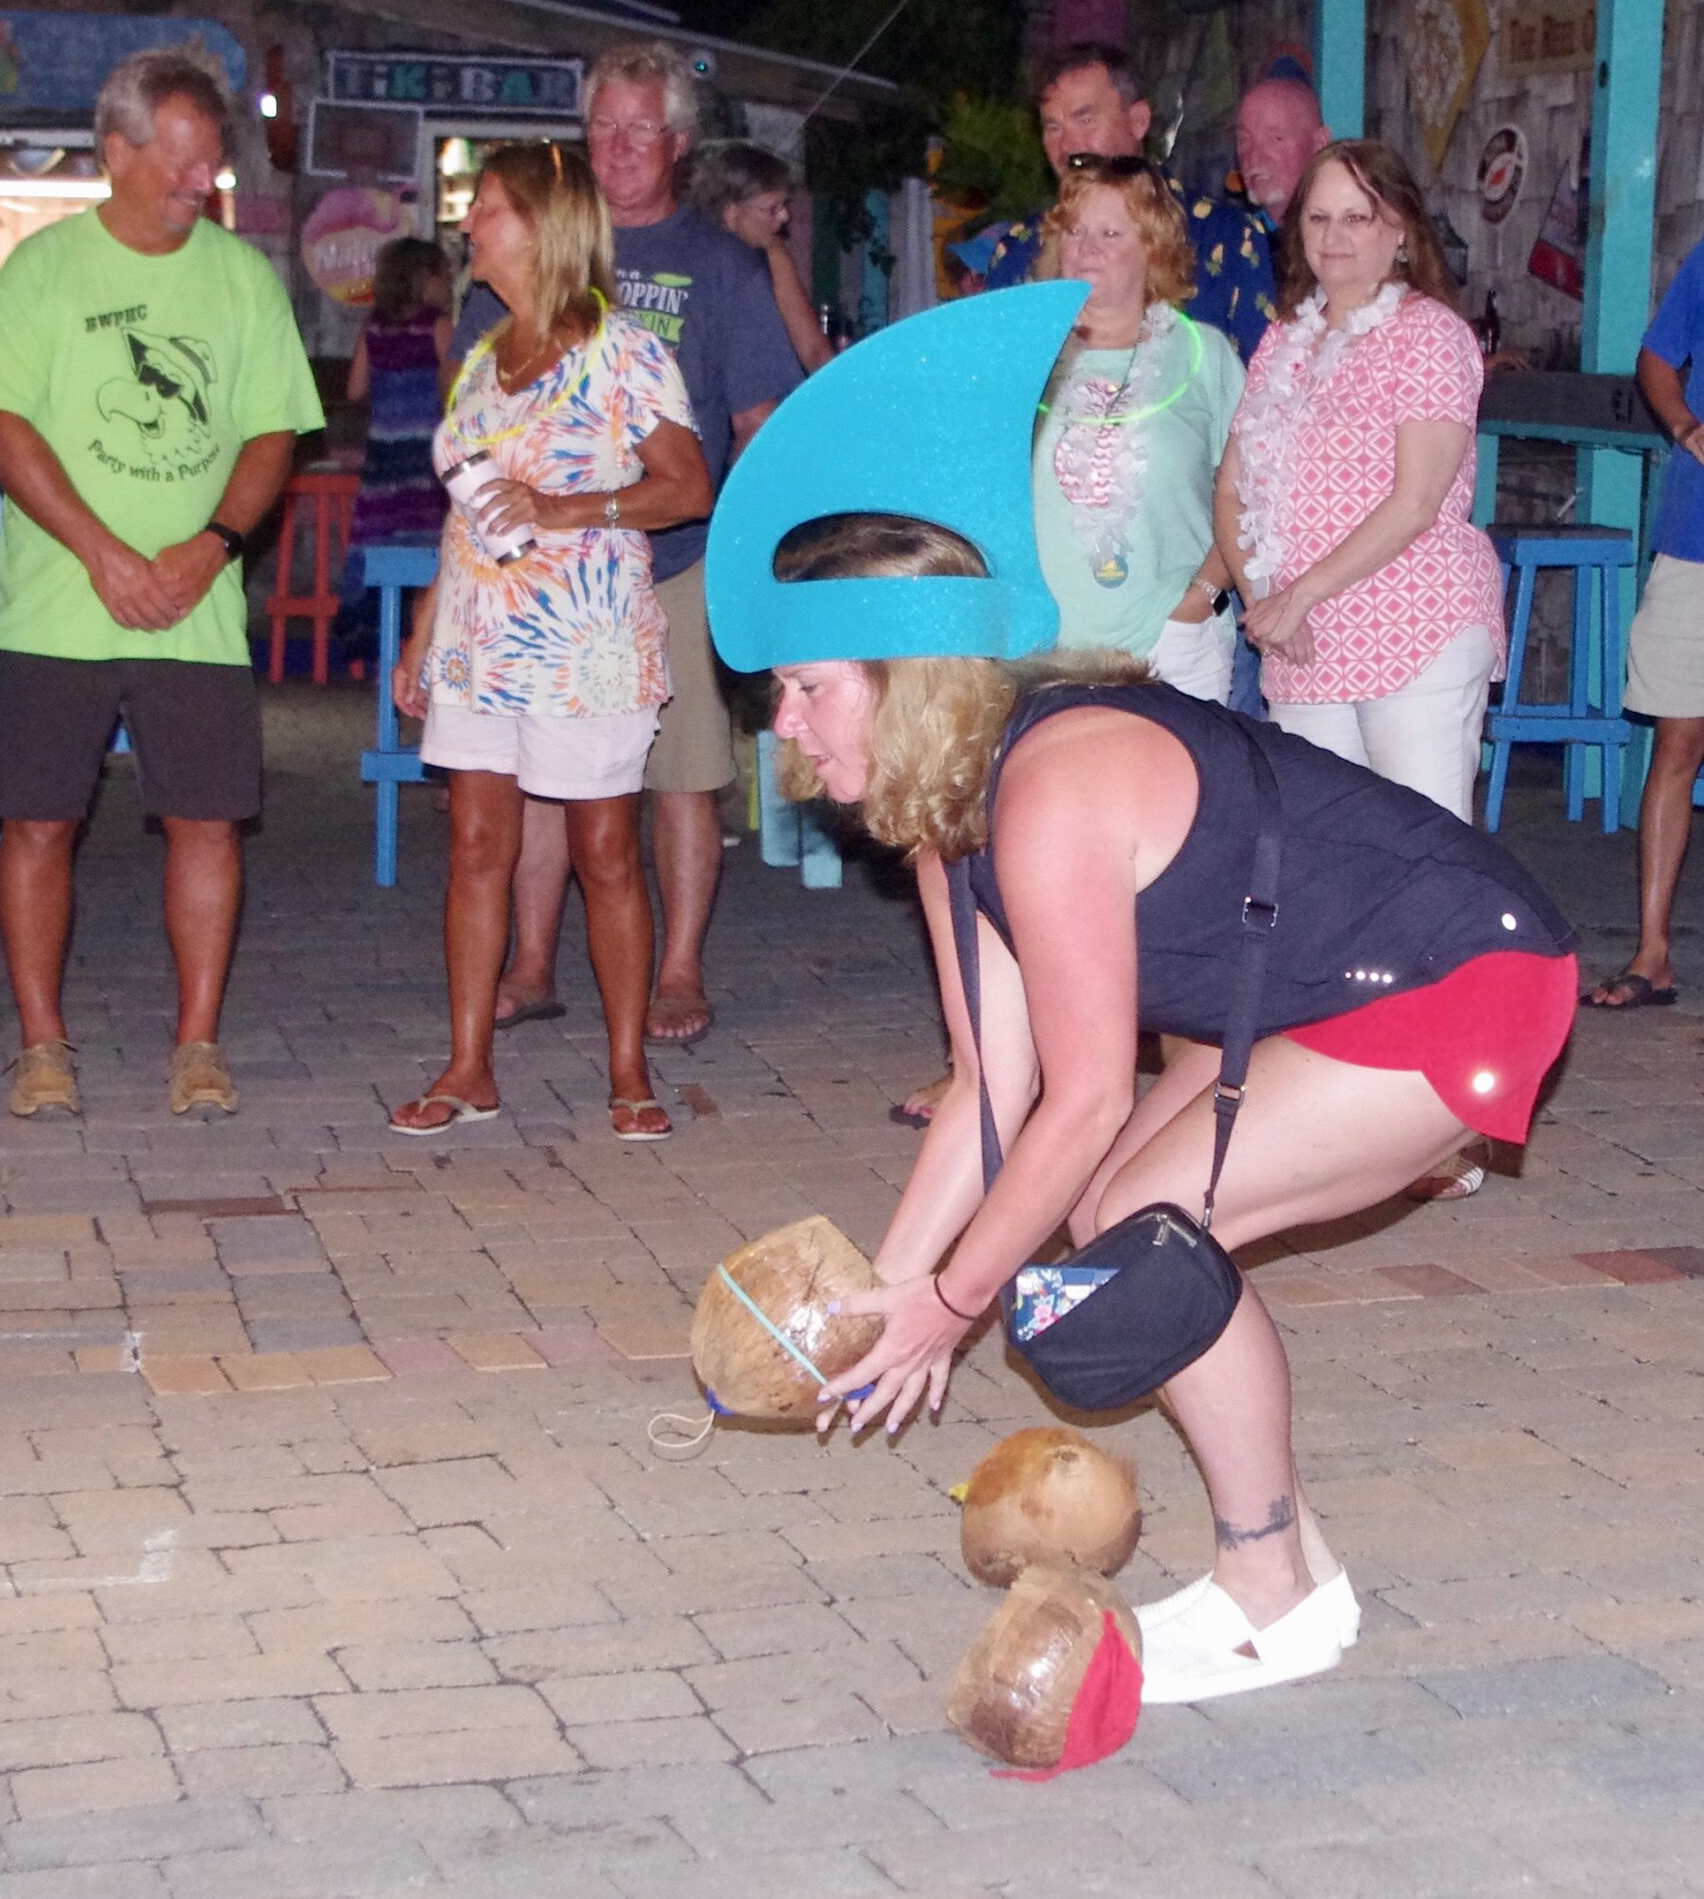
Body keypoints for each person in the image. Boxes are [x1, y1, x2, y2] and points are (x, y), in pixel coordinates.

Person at [703, 296, 1575, 1701]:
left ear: (906, 679)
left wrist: (955, 1304)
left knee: (1134, 1226)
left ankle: (1271, 1586)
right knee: (1116, 1215)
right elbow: (994, 1089)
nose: (784, 729)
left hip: (1462, 972)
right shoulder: (949, 809)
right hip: (1319, 987)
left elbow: (1088, 1093)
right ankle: (1293, 1566)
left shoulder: (1050, 790)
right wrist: (884, 1293)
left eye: (806, 689)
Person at [0, 48, 323, 1122]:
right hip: (57, 606)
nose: (200, 182)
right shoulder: (43, 271)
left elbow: (271, 434)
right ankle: (40, 1042)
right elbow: (1, 428)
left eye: (211, 162)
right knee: (36, 823)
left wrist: (211, 546)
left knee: (207, 821)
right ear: (115, 152)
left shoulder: (240, 277)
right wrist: (100, 551)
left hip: (194, 610)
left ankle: (198, 1040)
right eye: (179, 161)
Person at [454, 41, 800, 1047]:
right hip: (538, 574)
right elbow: (471, 414)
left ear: (679, 142)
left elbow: (759, 424)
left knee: (682, 772)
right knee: (542, 774)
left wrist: (744, 553)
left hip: (675, 555)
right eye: (602, 127)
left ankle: (678, 966)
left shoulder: (723, 264)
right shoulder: (533, 248)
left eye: (640, 129)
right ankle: (530, 960)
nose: (617, 147)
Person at [387, 143, 709, 1143]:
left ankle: (628, 1066)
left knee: (604, 851)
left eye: (486, 206)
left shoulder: (622, 352)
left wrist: (568, 507)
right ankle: (468, 1063)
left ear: (540, 226)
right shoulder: (482, 358)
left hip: (583, 643)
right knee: (476, 846)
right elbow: (466, 510)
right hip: (479, 639)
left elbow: (687, 487)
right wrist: (424, 629)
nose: (467, 224)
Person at [1220, 139, 1506, 1199]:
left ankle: (1452, 1118)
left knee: (1424, 869)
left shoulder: (1430, 336)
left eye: (1357, 216)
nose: (1335, 236)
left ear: (1399, 231)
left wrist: (1297, 592)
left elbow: (1416, 497)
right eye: (1319, 217)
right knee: (1327, 876)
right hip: (1305, 643)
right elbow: (1234, 482)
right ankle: (1357, 1101)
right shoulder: (1282, 342)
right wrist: (1262, 588)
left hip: (1412, 624)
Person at [1030, 157, 1247, 699]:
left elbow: (1255, 491)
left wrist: (1202, 597)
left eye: (1110, 233)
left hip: (1173, 646)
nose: (1087, 247)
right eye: (1075, 231)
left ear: (1153, 248)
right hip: (1043, 653)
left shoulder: (1202, 353)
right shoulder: (1023, 359)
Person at [1583, 233, 1704, 1011]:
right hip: (1696, 539)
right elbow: (1656, 360)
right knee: (1678, 741)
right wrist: (1688, 429)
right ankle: (1652, 953)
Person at [985, 43, 1279, 362]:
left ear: (1138, 121)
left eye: (1085, 120)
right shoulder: (1020, 250)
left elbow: (1264, 380)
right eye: (1053, 127)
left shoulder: (1226, 236)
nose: (1067, 145)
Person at [686, 140, 832, 372]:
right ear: (732, 214)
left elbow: (813, 350)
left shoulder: (772, 252)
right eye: (773, 208)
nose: (784, 216)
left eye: (784, 205)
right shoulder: (701, 264)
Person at [346, 237, 453, 546]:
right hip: (427, 453)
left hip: (383, 455)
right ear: (426, 278)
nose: (449, 282)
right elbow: (455, 391)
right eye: (444, 273)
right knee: (427, 545)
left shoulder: (374, 327)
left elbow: (354, 390)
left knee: (381, 542)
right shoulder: (437, 326)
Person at [1234, 74, 1333, 220]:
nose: (1254, 158)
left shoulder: (1347, 229)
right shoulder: (1227, 230)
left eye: (1275, 139)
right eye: (1244, 140)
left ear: (1319, 144)